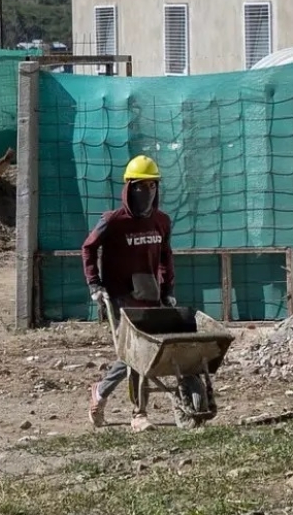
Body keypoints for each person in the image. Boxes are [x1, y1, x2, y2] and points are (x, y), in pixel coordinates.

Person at [81, 154, 176, 431]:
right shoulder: (113, 221)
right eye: (139, 187)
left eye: (151, 186)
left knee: (138, 353)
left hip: (149, 292)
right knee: (137, 354)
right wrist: (94, 284)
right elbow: (88, 247)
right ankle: (139, 414)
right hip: (120, 295)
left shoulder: (161, 221)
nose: (146, 193)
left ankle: (100, 391)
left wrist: (168, 288)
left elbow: (166, 256)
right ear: (128, 188)